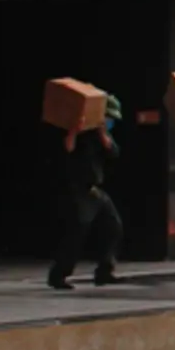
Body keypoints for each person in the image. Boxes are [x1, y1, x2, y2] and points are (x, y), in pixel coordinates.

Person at [47, 95, 123, 291]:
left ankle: (105, 271)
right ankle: (59, 275)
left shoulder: (102, 136)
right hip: (78, 188)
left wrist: (102, 132)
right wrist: (75, 131)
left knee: (114, 226)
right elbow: (67, 149)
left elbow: (113, 152)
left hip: (96, 190)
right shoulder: (80, 131)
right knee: (77, 231)